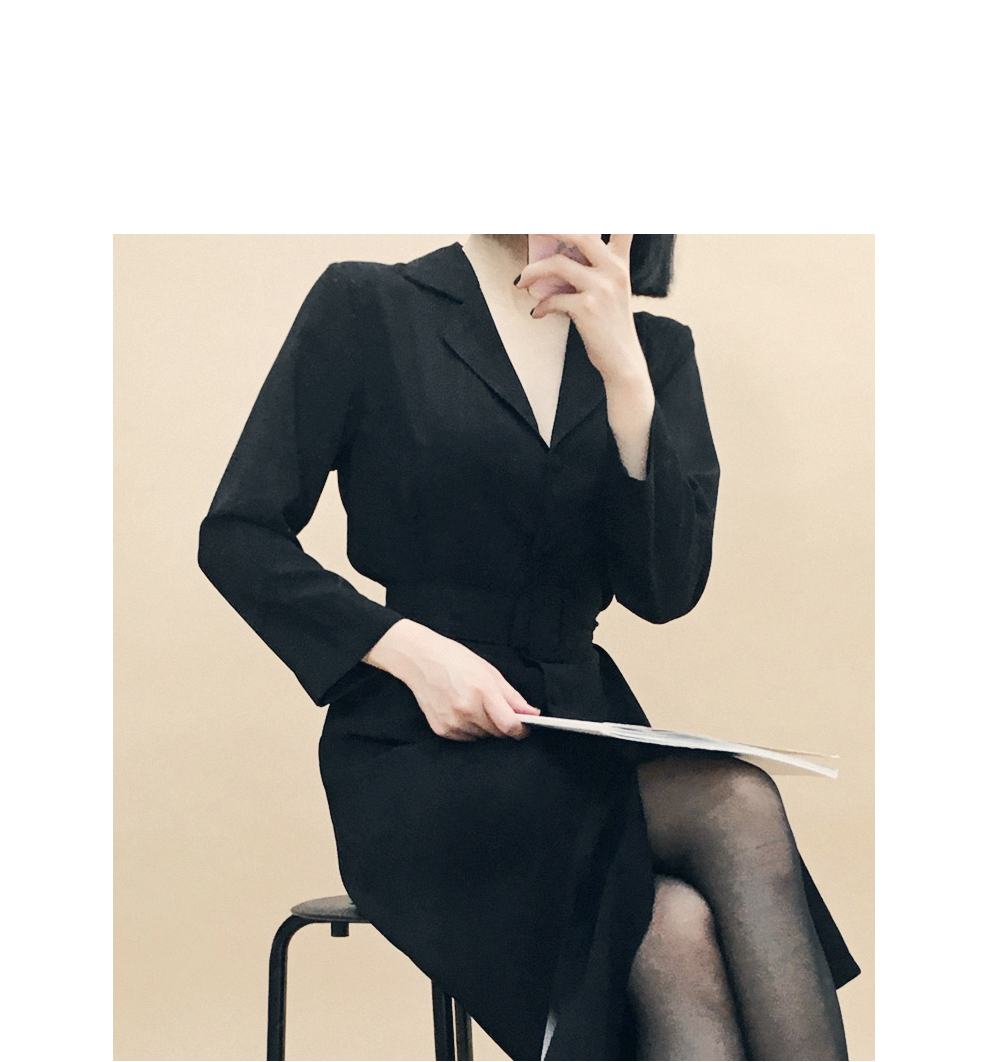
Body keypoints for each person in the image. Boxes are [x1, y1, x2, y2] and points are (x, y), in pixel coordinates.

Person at [198, 234, 860, 1060]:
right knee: (732, 809)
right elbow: (238, 536)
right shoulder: (369, 306)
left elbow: (666, 591)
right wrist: (409, 651)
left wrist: (624, 373)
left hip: (576, 733)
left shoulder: (654, 350)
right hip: (418, 746)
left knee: (684, 916)